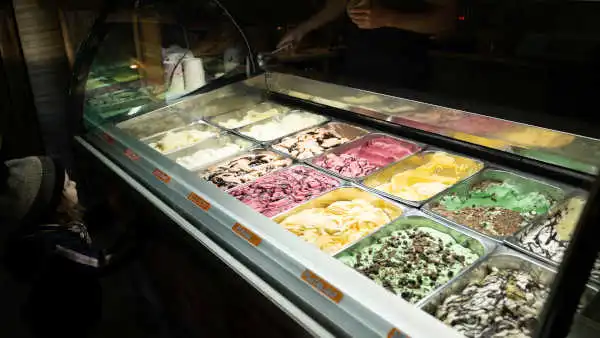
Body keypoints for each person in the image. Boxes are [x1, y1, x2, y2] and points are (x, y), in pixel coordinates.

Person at [0, 156, 135, 338]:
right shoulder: (54, 246)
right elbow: (99, 263)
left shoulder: (47, 225)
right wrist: (141, 233)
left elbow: (82, 225)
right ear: (55, 204)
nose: (74, 183)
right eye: (67, 185)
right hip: (68, 317)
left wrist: (109, 209)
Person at [278, 0, 457, 90]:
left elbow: (446, 20)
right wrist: (302, 30)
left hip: (406, 71)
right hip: (356, 66)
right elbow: (341, 2)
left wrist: (389, 18)